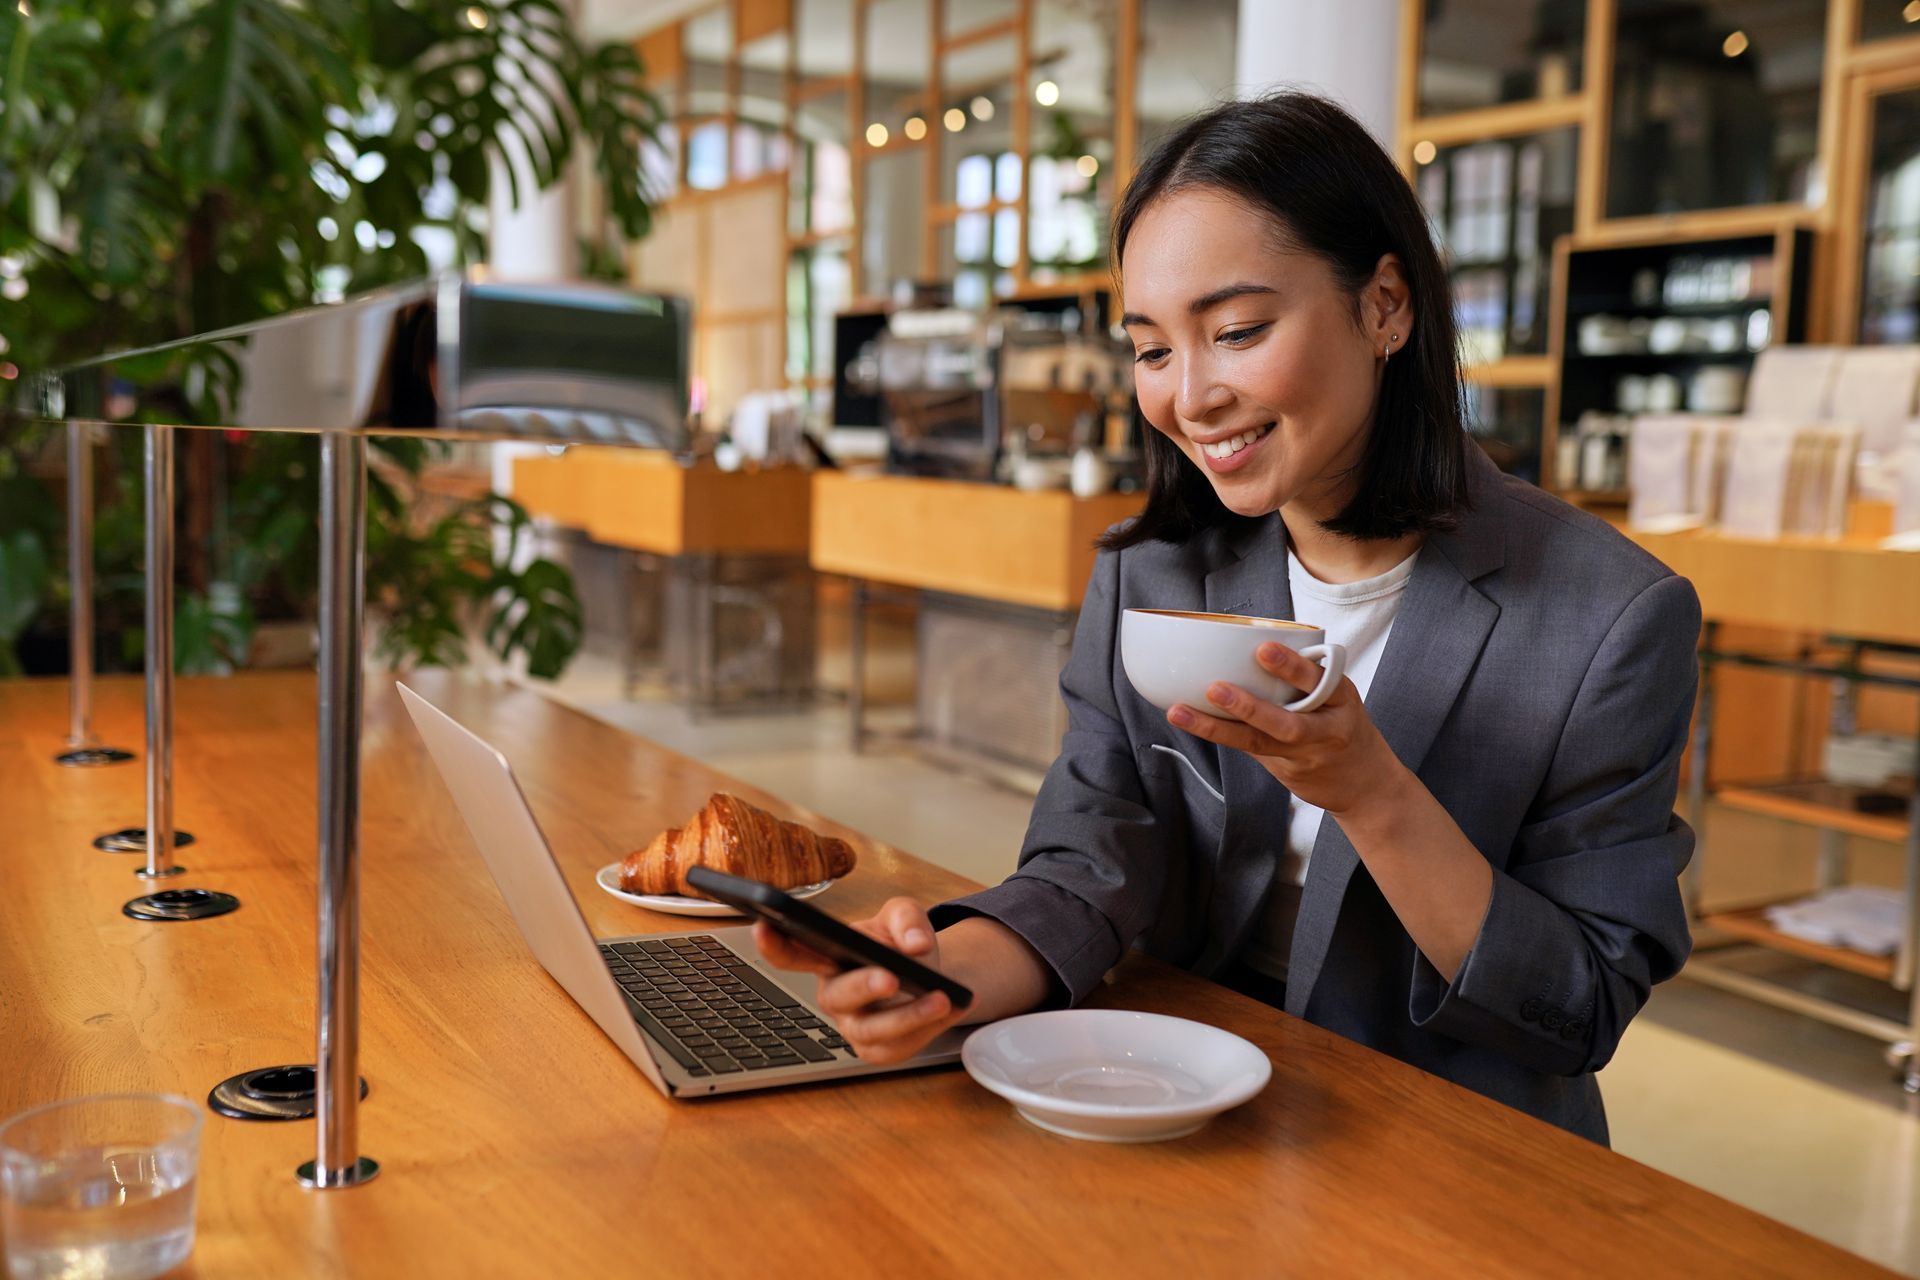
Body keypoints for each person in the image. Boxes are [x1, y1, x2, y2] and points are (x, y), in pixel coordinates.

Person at [756, 91, 1700, 1145]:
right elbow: (1091, 858)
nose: (1191, 396)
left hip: (1447, 1139)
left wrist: (1373, 795)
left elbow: (1580, 1003)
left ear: (1386, 305)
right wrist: (945, 977)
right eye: (1153, 349)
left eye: (1239, 330)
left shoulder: (1609, 615)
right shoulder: (1152, 568)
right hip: (1175, 1095)